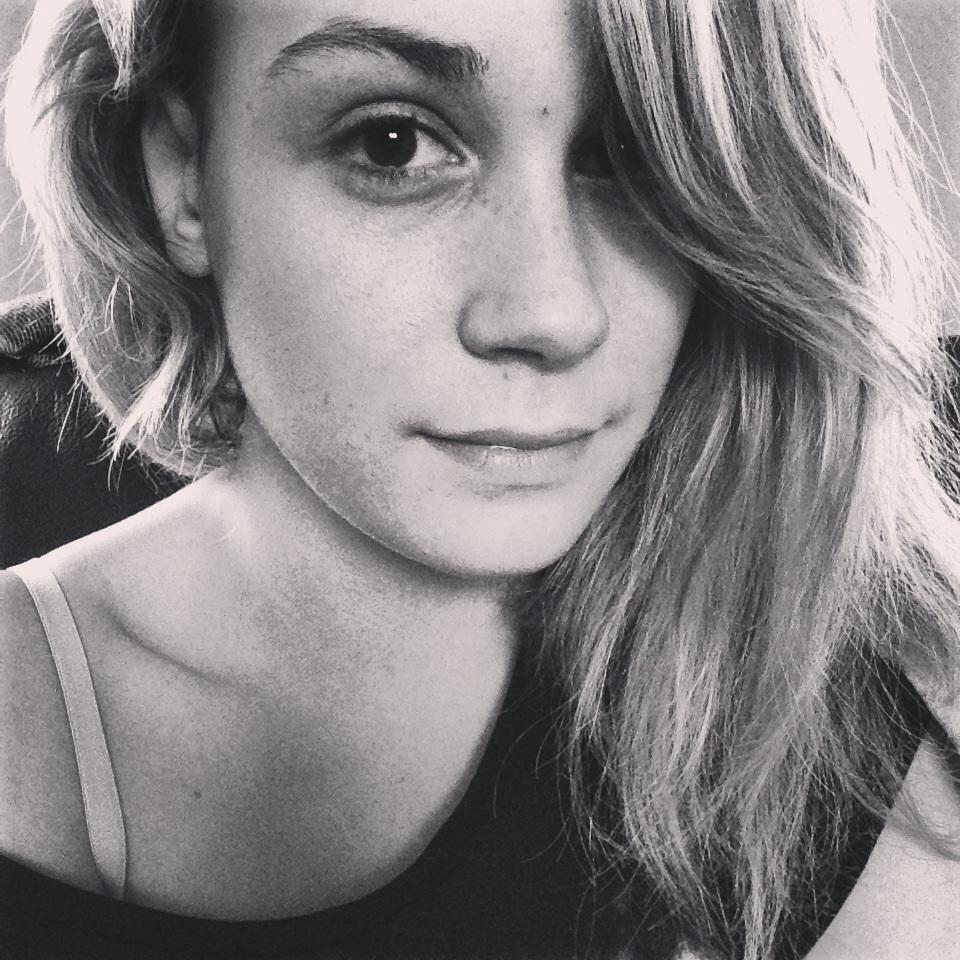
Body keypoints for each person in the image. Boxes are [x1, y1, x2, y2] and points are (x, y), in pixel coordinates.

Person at [1, 1, 958, 958]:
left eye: (635, 154)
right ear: (185, 176)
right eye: (391, 144)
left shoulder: (836, 712)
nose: (552, 314)